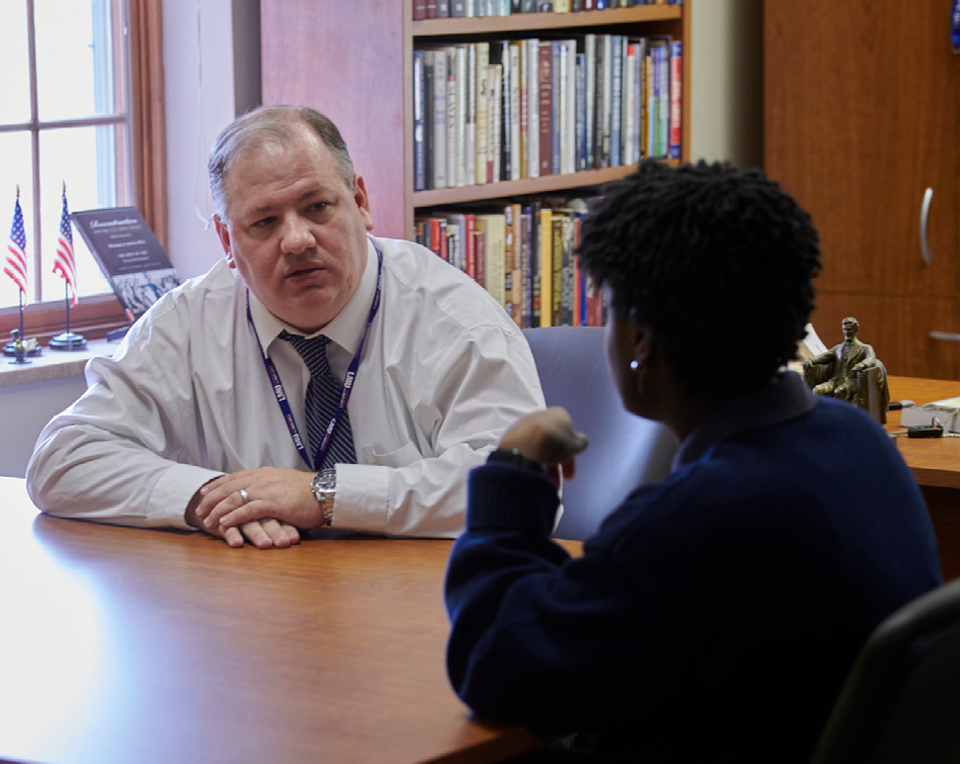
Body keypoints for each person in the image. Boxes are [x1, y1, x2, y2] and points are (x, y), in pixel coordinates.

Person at [444, 161, 942, 763]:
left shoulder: (704, 517)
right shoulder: (857, 439)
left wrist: (511, 474)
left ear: (641, 342)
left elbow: (493, 668)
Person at [26, 105, 544, 549]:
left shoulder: (455, 320)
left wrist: (326, 496)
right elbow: (61, 461)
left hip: (422, 607)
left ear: (360, 202)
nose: (297, 240)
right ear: (228, 242)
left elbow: (524, 490)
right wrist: (210, 497)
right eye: (264, 222)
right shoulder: (188, 321)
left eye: (317, 207)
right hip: (260, 603)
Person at [803, 316, 889, 412]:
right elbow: (823, 357)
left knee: (840, 391)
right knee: (818, 389)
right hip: (835, 381)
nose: (847, 332)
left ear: (855, 330)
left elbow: (871, 358)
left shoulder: (865, 348)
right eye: (845, 330)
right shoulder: (838, 348)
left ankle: (839, 417)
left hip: (852, 382)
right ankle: (819, 415)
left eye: (849, 329)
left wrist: (862, 365)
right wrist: (811, 360)